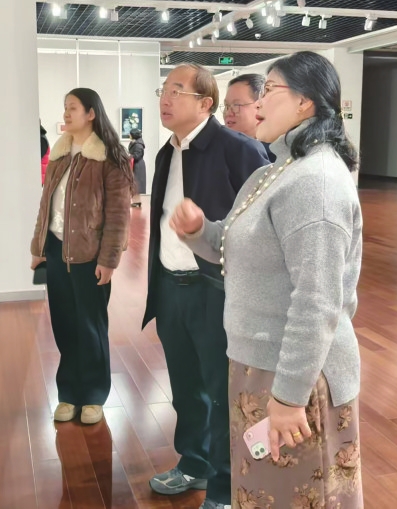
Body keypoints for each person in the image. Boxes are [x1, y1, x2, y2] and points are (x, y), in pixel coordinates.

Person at [170, 51, 363, 508]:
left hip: (295, 375)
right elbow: (233, 246)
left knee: (298, 496)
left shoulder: (315, 181)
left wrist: (290, 398)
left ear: (305, 102)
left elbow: (317, 301)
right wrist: (199, 231)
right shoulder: (276, 170)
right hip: (260, 364)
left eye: (270, 91)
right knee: (262, 492)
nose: (257, 105)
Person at [143, 64, 269, 509]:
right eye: (164, 89)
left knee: (221, 392)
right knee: (184, 387)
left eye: (177, 90)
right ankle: (193, 462)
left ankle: (223, 489)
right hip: (170, 287)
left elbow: (264, 226)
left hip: (215, 291)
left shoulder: (239, 150)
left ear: (205, 103)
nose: (166, 98)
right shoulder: (167, 152)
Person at [30, 88, 133, 426]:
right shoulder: (60, 154)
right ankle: (69, 393)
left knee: (90, 327)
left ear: (91, 113)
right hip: (57, 252)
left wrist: (109, 260)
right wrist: (38, 249)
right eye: (65, 107)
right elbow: (46, 207)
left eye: (72, 107)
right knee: (64, 326)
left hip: (90, 257)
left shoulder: (109, 158)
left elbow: (118, 216)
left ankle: (93, 395)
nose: (66, 112)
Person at [224, 74, 276, 162]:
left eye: (236, 105)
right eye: (227, 106)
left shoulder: (275, 154)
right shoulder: (219, 149)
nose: (228, 113)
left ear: (260, 106)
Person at [128, 129, 146, 207]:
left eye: (130, 134)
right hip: (135, 164)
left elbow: (137, 155)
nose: (129, 135)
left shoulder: (138, 144)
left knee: (137, 184)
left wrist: (129, 156)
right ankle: (136, 201)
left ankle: (137, 202)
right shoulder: (135, 142)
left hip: (138, 166)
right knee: (135, 184)